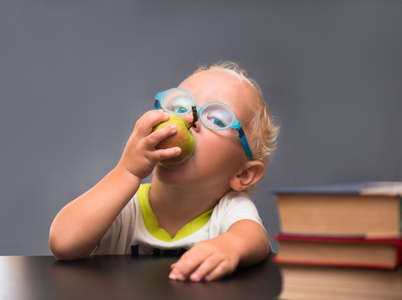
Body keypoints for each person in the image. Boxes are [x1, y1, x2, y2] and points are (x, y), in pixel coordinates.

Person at [49, 61, 279, 282]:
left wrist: (230, 246)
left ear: (243, 175)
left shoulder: (228, 210)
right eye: (180, 107)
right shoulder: (125, 204)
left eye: (217, 119)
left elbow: (254, 238)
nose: (190, 119)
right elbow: (63, 243)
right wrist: (127, 171)